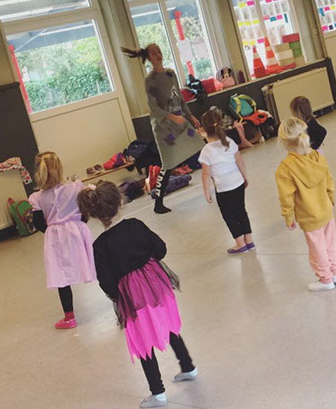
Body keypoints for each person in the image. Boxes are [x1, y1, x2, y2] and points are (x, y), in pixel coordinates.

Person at [79, 182, 197, 409]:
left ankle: (158, 392)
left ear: (95, 215)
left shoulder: (100, 245)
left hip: (132, 295)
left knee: (143, 340)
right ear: (120, 202)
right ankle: (188, 366)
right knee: (168, 324)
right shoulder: (135, 225)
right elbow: (160, 248)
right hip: (156, 283)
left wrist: (119, 295)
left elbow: (106, 281)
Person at [123, 44, 203, 214]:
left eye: (159, 51)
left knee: (200, 145)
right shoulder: (150, 80)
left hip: (181, 124)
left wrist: (190, 116)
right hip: (165, 130)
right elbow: (153, 107)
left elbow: (180, 98)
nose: (158, 55)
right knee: (168, 163)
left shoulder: (170, 73)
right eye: (154, 53)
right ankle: (158, 202)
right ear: (149, 58)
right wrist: (172, 117)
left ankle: (216, 178)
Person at [28, 152, 95, 329]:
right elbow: (85, 210)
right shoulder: (75, 187)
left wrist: (52, 229)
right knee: (92, 263)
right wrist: (78, 223)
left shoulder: (37, 198)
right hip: (77, 231)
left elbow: (38, 223)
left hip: (55, 237)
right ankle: (118, 301)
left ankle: (69, 317)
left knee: (61, 276)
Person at [274, 118, 336, 292]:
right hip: (326, 208)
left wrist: (288, 216)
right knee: (329, 242)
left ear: (283, 142)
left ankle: (325, 279)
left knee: (317, 248)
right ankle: (334, 271)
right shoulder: (317, 157)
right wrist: (331, 198)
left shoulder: (285, 168)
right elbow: (329, 181)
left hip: (309, 216)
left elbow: (286, 196)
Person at [199, 110, 254, 255]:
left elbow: (206, 174)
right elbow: (240, 161)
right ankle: (249, 240)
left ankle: (240, 243)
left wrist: (207, 191)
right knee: (241, 210)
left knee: (229, 215)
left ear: (204, 129)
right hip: (238, 182)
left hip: (223, 188)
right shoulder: (229, 142)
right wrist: (245, 177)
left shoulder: (206, 151)